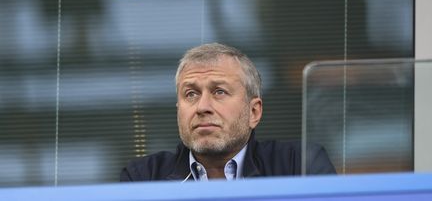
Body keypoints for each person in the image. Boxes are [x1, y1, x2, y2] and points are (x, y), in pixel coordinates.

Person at [120, 43, 335, 182]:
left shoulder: (299, 165)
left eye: (219, 92)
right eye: (191, 94)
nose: (202, 107)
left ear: (254, 112)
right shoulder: (144, 177)